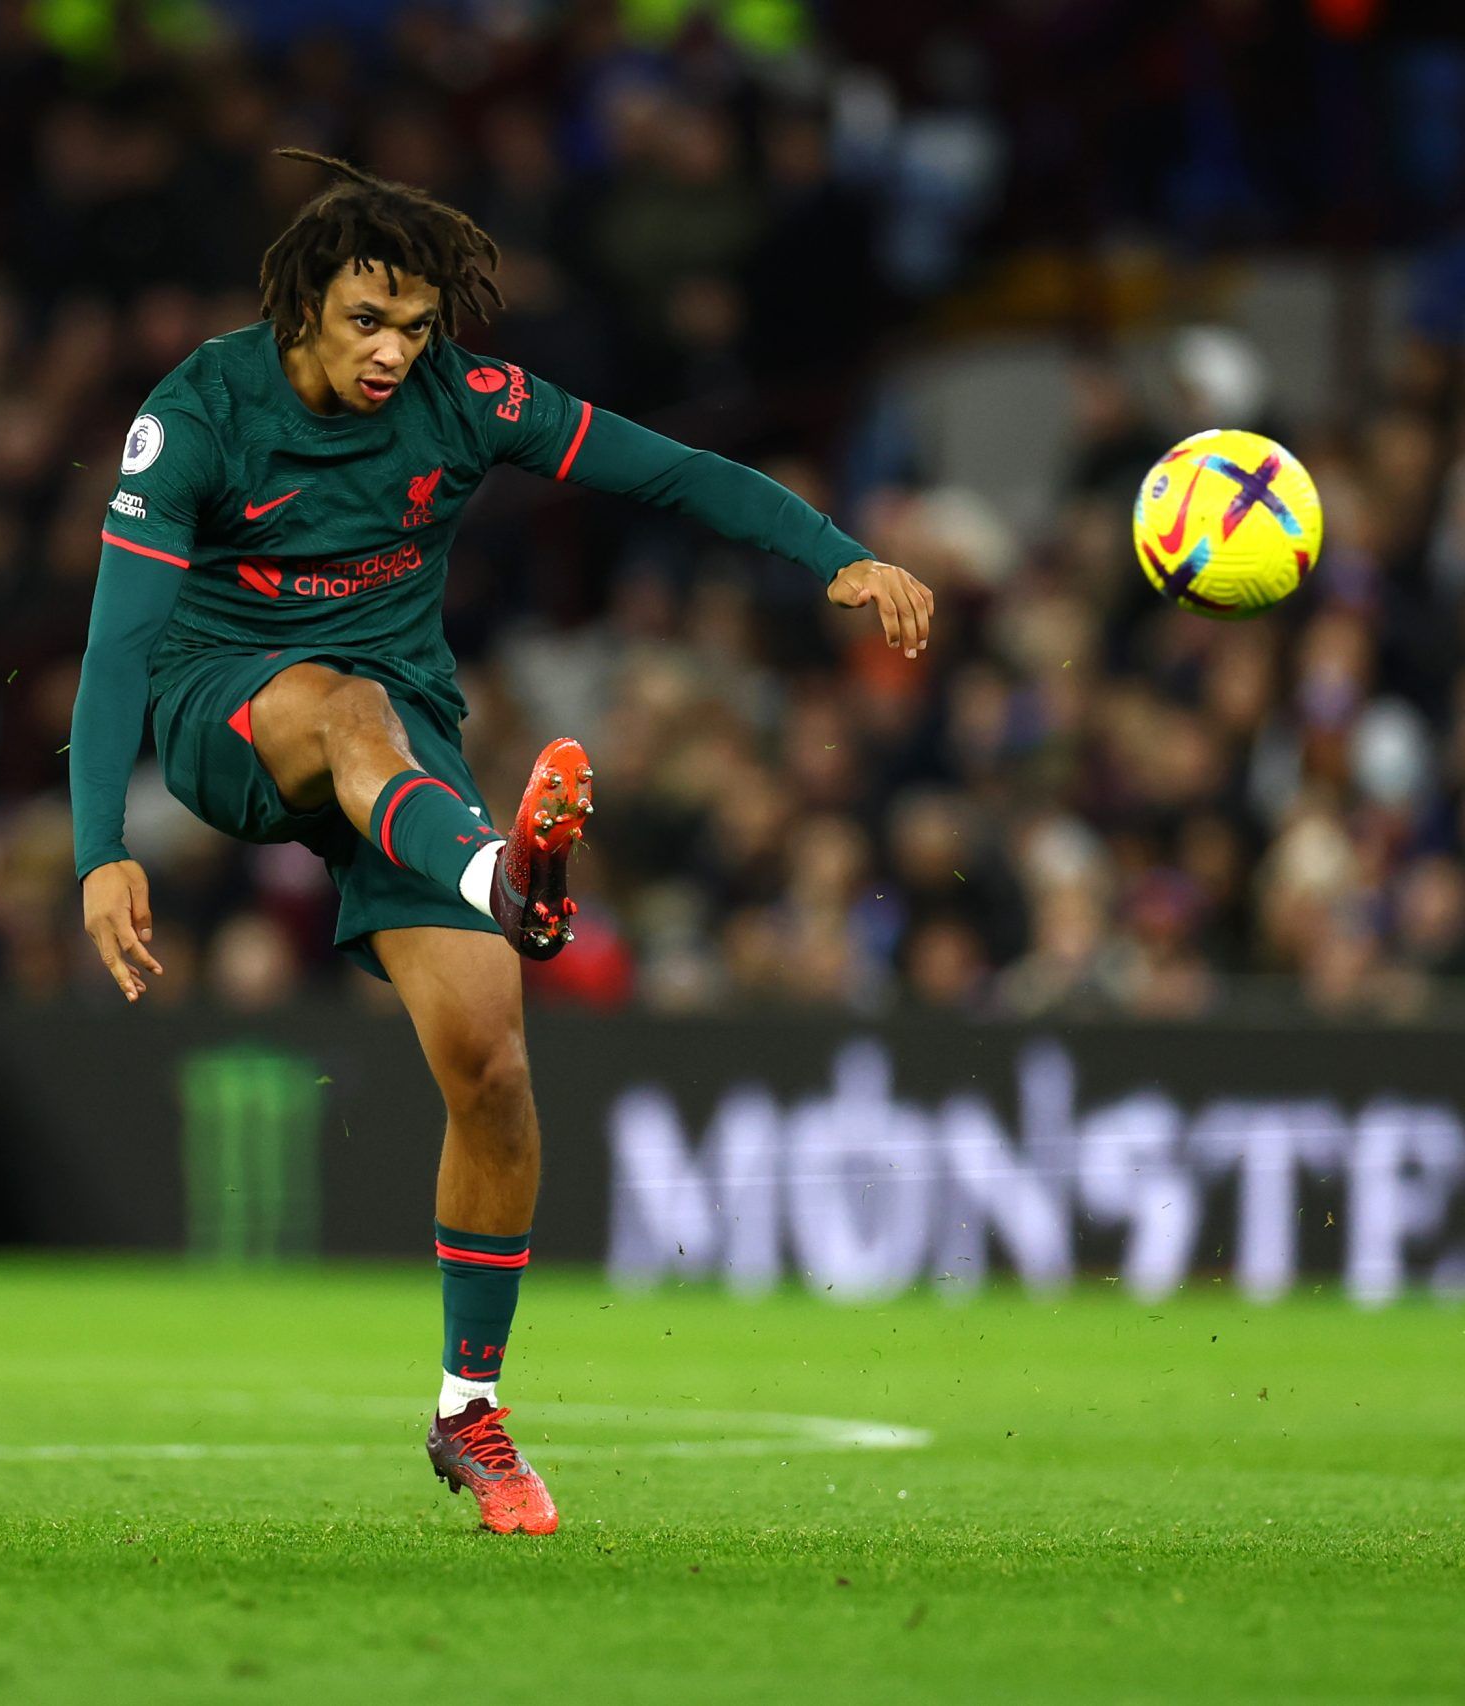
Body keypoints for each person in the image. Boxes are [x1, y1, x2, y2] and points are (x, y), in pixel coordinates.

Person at [68, 152, 934, 1536]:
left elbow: (672, 469)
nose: (394, 352)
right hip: (233, 715)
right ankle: (501, 874)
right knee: (344, 707)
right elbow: (117, 640)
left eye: (415, 327)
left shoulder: (467, 404)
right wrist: (100, 844)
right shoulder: (198, 416)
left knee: (492, 1061)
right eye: (367, 321)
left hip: (402, 750)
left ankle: (468, 1407)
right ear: (300, 303)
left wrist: (829, 550)